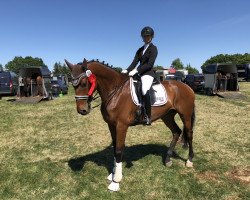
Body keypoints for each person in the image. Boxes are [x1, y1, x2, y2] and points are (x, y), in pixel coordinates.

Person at [122, 26, 158, 125]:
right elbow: (134, 62)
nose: (146, 38)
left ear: (151, 37)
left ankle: (148, 116)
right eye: (144, 36)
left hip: (148, 73)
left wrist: (137, 70)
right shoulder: (140, 50)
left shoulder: (153, 49)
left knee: (144, 89)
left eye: (148, 36)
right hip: (139, 73)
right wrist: (127, 70)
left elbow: (149, 64)